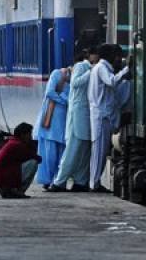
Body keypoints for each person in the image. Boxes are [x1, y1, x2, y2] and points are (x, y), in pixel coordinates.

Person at [49, 47, 100, 192]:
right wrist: (91, 72)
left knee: (84, 150)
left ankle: (80, 180)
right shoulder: (81, 66)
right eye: (95, 53)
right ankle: (59, 181)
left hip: (86, 114)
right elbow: (75, 83)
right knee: (72, 149)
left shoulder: (91, 68)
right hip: (78, 114)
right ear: (88, 55)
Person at [88, 43, 129, 193]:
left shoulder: (100, 68)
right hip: (101, 116)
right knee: (99, 150)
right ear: (110, 56)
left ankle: (95, 182)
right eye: (117, 56)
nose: (118, 59)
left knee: (100, 150)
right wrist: (126, 70)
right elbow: (112, 81)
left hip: (102, 115)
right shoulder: (101, 68)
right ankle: (94, 184)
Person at [33, 65, 70, 189]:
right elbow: (49, 92)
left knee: (60, 151)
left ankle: (56, 180)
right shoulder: (58, 74)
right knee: (50, 152)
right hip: (52, 118)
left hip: (64, 119)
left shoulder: (74, 78)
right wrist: (64, 100)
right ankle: (48, 180)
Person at [0, 123, 41, 199]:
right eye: (29, 134)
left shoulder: (12, 142)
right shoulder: (17, 145)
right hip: (4, 185)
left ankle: (14, 191)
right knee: (33, 163)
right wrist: (31, 145)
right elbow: (37, 158)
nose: (31, 137)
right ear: (22, 135)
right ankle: (17, 191)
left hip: (1, 184)